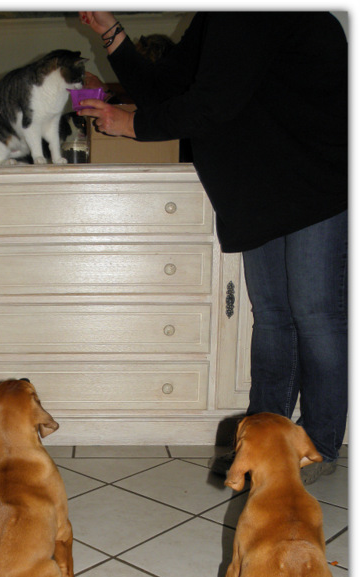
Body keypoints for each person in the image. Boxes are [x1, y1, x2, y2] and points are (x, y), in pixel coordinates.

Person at [78, 11, 348, 484]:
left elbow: (214, 102)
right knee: (274, 319)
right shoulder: (218, 16)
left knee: (315, 316)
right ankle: (266, 443)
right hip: (259, 190)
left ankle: (320, 448)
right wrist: (111, 32)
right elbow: (168, 88)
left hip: (315, 180)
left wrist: (134, 125)